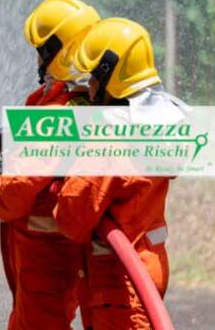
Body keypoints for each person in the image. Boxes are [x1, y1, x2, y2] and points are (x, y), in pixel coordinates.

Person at [0, 0, 99, 329]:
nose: (37, 58)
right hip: (49, 252)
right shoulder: (79, 102)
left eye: (40, 49)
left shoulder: (60, 113)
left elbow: (19, 188)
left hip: (46, 255)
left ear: (55, 51)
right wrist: (10, 138)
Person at [53, 18, 188, 329]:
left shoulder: (111, 139)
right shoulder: (155, 121)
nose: (88, 87)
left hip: (118, 287)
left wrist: (65, 172)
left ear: (108, 74)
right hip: (143, 271)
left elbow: (72, 218)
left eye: (92, 79)